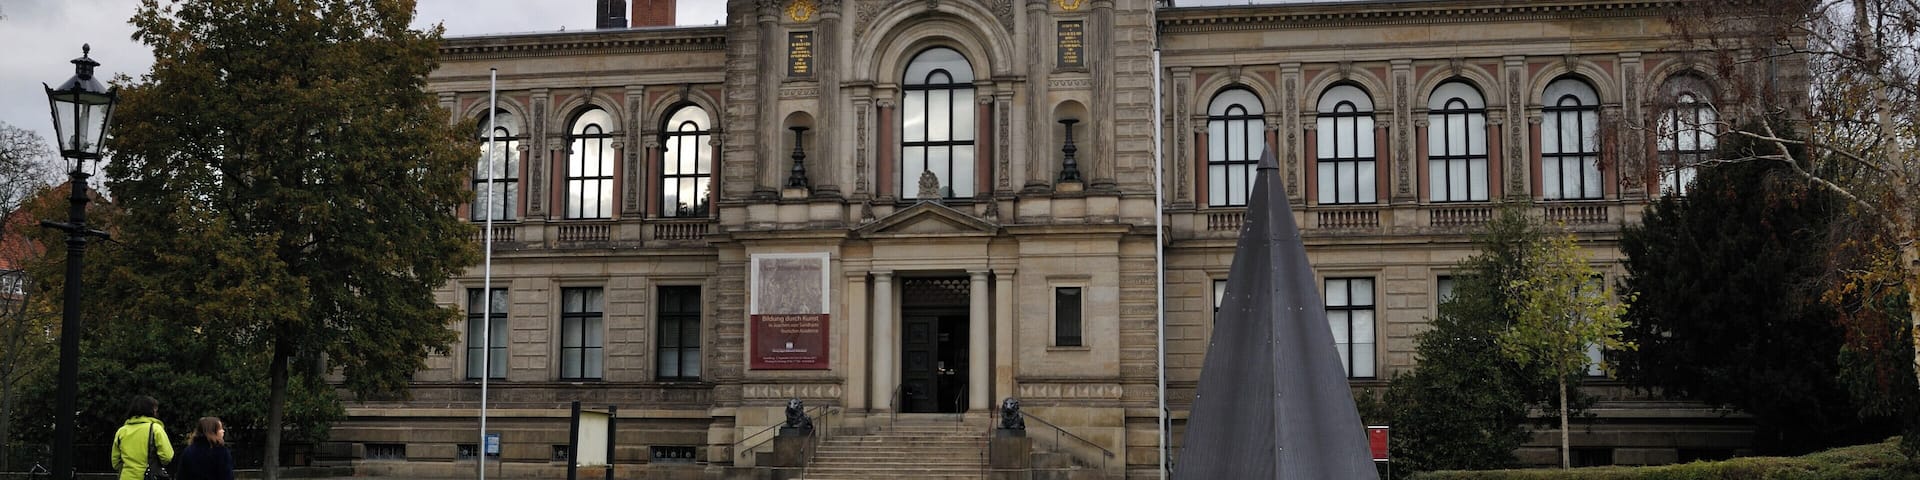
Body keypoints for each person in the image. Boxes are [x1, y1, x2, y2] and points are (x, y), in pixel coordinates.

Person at [110, 395, 173, 480]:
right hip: (149, 477)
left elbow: (115, 463)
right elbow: (167, 457)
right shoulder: (155, 428)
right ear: (151, 410)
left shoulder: (121, 431)